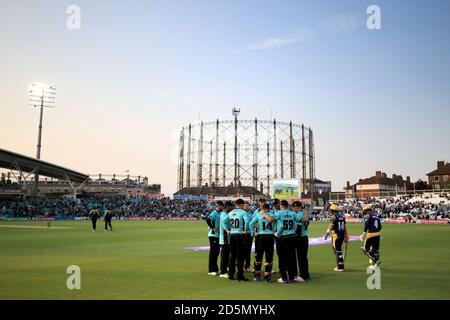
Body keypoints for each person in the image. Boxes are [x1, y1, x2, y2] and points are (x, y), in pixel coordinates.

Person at [249, 203, 275, 283]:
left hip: (260, 237)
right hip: (270, 236)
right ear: (269, 208)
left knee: (258, 256)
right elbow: (277, 224)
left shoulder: (259, 215)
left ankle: (256, 276)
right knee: (269, 257)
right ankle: (267, 277)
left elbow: (250, 224)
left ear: (263, 208)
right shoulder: (273, 214)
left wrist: (253, 233)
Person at [274, 200, 298, 283]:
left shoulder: (279, 213)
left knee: (282, 258)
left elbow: (279, 225)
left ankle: (284, 277)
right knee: (291, 258)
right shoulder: (293, 213)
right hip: (292, 236)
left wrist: (277, 234)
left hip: (283, 237)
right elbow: (296, 222)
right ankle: (291, 277)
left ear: (281, 205)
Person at [227, 198, 250, 281]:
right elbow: (247, 221)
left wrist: (227, 230)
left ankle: (230, 274)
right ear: (241, 205)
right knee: (240, 256)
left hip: (232, 234)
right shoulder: (243, 212)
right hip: (239, 234)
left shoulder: (230, 213)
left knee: (232, 255)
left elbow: (223, 221)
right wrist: (245, 230)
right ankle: (240, 276)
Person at [324, 203, 348, 272]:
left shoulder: (333, 217)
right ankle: (340, 265)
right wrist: (346, 236)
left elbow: (331, 227)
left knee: (337, 251)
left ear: (333, 211)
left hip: (336, 235)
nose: (330, 212)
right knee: (339, 250)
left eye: (331, 210)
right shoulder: (342, 217)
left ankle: (340, 267)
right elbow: (345, 228)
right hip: (342, 235)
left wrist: (327, 233)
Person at [292, 201, 310, 282]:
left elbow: (299, 223)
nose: (292, 208)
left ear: (297, 207)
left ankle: (302, 275)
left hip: (299, 236)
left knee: (299, 257)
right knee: (303, 257)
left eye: (293, 207)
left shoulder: (299, 214)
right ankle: (305, 274)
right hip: (304, 237)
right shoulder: (304, 212)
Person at [205, 201, 223, 275]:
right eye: (221, 206)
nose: (222, 207)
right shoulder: (214, 212)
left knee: (216, 252)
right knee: (213, 252)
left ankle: (215, 269)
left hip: (217, 235)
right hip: (213, 235)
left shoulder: (220, 213)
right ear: (218, 206)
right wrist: (213, 228)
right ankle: (211, 270)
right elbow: (207, 220)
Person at [219, 201, 233, 278]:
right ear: (227, 207)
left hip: (225, 237)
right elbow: (224, 223)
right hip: (224, 237)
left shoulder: (224, 214)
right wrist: (227, 230)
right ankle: (223, 271)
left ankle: (224, 270)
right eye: (230, 206)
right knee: (224, 255)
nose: (232, 208)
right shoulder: (224, 214)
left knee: (226, 255)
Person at [243, 201, 254, 272]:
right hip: (242, 234)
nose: (247, 207)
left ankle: (247, 266)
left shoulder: (251, 214)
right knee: (241, 251)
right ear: (243, 206)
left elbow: (253, 223)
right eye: (246, 205)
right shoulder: (241, 213)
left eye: (248, 205)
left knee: (248, 251)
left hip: (249, 234)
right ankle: (239, 266)